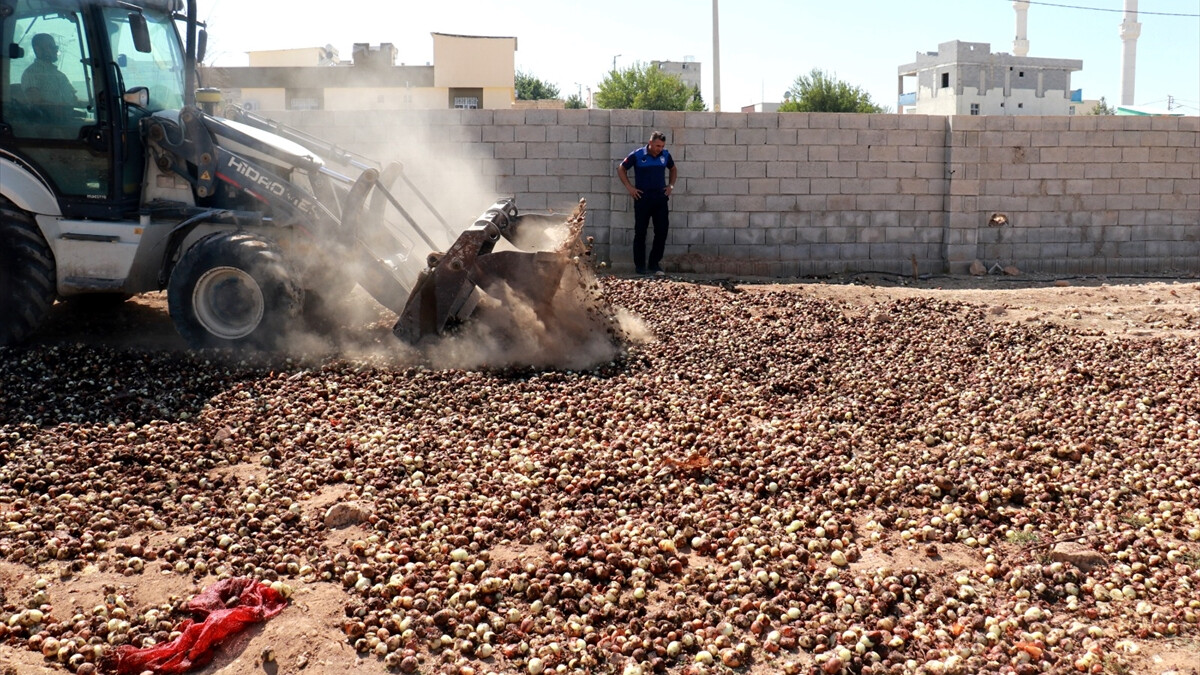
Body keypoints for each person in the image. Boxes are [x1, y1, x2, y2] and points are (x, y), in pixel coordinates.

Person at [617, 131, 676, 276]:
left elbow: (673, 169)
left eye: (662, 146)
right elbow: (621, 168)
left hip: (660, 198)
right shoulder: (638, 155)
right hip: (642, 198)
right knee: (640, 232)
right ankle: (640, 266)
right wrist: (630, 188)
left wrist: (671, 186)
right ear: (650, 143)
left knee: (662, 231)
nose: (659, 149)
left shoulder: (665, 155)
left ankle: (654, 264)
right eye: (657, 145)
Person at [21, 34, 81, 108]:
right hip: (44, 119)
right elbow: (37, 103)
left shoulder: (60, 75)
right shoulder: (31, 73)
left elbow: (74, 100)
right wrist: (61, 109)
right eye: (51, 46)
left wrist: (93, 103)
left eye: (55, 47)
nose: (56, 49)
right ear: (38, 50)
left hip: (65, 118)